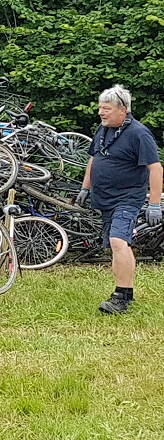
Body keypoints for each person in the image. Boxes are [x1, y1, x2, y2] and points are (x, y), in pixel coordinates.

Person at [76, 85, 162, 314]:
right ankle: (127, 292)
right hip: (104, 198)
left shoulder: (139, 133)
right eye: (100, 108)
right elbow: (94, 159)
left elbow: (155, 168)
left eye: (106, 109)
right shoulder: (103, 129)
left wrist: (154, 204)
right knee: (116, 247)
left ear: (122, 110)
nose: (101, 113)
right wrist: (85, 188)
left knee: (118, 241)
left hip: (127, 198)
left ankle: (120, 298)